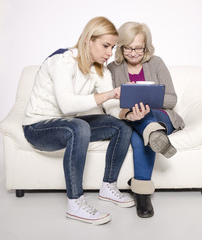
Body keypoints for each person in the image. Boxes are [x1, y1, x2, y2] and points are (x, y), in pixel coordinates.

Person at [22, 17, 134, 225]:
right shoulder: (62, 60)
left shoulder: (100, 68)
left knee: (121, 127)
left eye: (113, 47)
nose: (110, 52)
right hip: (38, 127)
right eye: (105, 46)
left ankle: (108, 187)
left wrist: (127, 114)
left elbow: (110, 108)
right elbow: (67, 105)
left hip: (67, 125)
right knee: (79, 126)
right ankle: (75, 203)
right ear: (89, 40)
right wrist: (108, 95)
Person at [108, 22, 185, 218]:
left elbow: (172, 99)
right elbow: (111, 104)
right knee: (140, 135)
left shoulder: (156, 63)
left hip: (160, 117)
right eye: (128, 48)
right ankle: (142, 194)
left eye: (139, 48)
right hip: (131, 119)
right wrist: (132, 109)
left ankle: (141, 193)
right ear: (121, 46)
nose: (133, 53)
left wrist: (148, 103)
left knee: (147, 121)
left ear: (146, 46)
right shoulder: (113, 68)